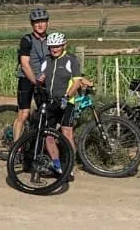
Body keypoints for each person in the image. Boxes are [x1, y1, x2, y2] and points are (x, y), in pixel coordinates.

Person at [37, 32, 92, 181]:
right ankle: (57, 166)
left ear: (64, 46)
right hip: (50, 102)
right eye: (52, 47)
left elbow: (76, 83)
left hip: (66, 102)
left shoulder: (71, 60)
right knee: (48, 135)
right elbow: (40, 81)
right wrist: (40, 80)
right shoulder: (46, 61)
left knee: (67, 134)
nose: (55, 49)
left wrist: (67, 97)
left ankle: (70, 167)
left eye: (58, 46)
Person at [13, 8, 50, 159]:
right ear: (32, 24)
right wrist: (35, 81)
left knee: (45, 114)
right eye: (36, 22)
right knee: (24, 113)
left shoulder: (50, 39)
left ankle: (40, 146)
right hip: (27, 79)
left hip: (44, 81)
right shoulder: (27, 40)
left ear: (47, 23)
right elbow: (25, 64)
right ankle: (16, 150)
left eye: (43, 21)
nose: (40, 25)